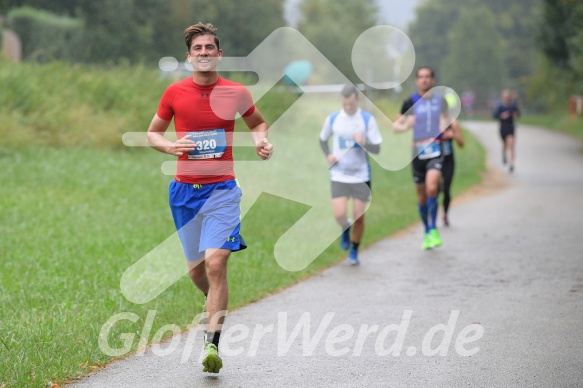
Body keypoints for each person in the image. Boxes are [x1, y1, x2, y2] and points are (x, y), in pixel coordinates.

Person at [146, 22, 273, 374]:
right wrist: (169, 145)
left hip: (222, 190)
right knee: (197, 273)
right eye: (197, 49)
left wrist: (261, 141)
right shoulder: (174, 93)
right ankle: (213, 302)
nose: (203, 53)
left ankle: (210, 346)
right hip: (184, 192)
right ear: (189, 57)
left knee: (217, 265)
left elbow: (259, 124)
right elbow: (152, 133)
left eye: (209, 48)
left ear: (219, 54)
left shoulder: (236, 92)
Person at [319, 85, 382, 265]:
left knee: (359, 216)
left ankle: (354, 250)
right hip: (339, 174)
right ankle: (345, 227)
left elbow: (377, 148)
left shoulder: (366, 119)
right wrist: (328, 155)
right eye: (346, 104)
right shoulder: (333, 119)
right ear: (342, 101)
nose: (349, 107)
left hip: (361, 175)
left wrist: (365, 143)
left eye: (352, 104)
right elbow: (322, 140)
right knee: (339, 214)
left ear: (357, 100)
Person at [393, 66, 451, 250]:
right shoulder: (409, 101)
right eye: (421, 77)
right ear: (417, 81)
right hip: (417, 152)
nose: (424, 80)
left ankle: (433, 228)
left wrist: (444, 130)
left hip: (435, 149)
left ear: (433, 80)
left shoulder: (440, 101)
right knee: (421, 195)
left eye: (428, 77)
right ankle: (426, 231)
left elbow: (446, 121)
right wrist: (407, 126)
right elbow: (396, 126)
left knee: (432, 186)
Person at [440, 120, 464, 226]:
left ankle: (445, 214)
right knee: (434, 189)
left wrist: (453, 135)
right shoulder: (432, 121)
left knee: (446, 188)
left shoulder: (453, 124)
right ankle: (432, 216)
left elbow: (461, 144)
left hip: (448, 161)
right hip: (433, 159)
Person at [493, 89, 520, 173]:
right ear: (503, 97)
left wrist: (515, 115)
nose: (506, 98)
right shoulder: (499, 106)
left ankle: (511, 164)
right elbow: (495, 116)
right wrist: (502, 116)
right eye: (505, 97)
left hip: (511, 128)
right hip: (503, 128)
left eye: (508, 97)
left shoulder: (513, 106)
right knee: (505, 144)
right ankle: (504, 154)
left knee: (511, 145)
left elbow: (518, 114)